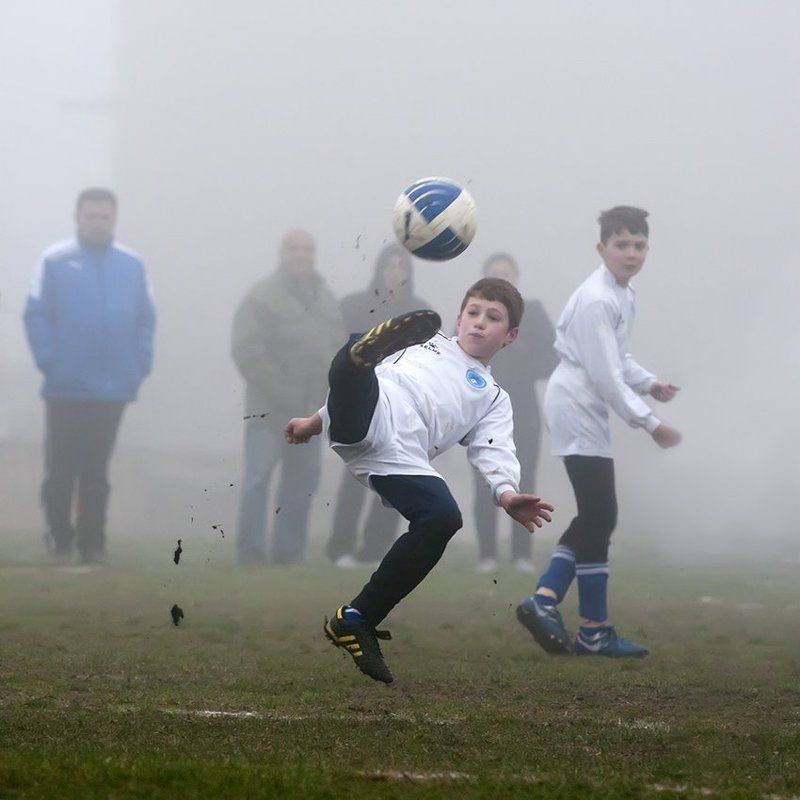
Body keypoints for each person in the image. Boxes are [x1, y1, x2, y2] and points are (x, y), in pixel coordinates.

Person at [284, 278, 554, 683]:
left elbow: (495, 449)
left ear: (510, 335)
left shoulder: (493, 397)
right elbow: (365, 387)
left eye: (493, 318)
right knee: (359, 371)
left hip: (403, 456)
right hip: (373, 413)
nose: (479, 323)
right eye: (474, 313)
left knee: (443, 518)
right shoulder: (420, 344)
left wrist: (507, 493)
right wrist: (313, 420)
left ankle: (356, 618)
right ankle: (356, 352)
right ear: (459, 316)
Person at [516, 206, 681, 658]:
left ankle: (552, 602)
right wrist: (651, 423)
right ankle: (588, 626)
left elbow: (618, 359)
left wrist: (649, 383)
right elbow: (606, 374)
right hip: (576, 406)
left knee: (596, 515)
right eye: (622, 244)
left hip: (586, 406)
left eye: (639, 245)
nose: (632, 253)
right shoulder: (596, 299)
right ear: (601, 248)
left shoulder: (621, 293)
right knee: (600, 513)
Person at [23, 187, 156, 564]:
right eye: (91, 216)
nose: (97, 223)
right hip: (65, 387)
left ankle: (93, 542)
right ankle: (59, 537)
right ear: (78, 217)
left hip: (113, 388)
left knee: (96, 470)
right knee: (61, 468)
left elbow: (146, 319)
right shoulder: (55, 259)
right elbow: (35, 314)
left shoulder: (132, 264)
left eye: (104, 217)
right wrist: (51, 361)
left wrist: (138, 365)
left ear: (113, 219)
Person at [231, 229, 343, 565]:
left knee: (301, 485)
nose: (300, 255)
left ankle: (289, 555)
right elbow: (247, 352)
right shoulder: (260, 297)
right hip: (268, 412)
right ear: (281, 253)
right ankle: (250, 554)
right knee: (257, 481)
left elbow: (335, 349)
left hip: (310, 414)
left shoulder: (325, 297)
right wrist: (285, 394)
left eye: (307, 249)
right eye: (293, 249)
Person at [326, 244, 432, 568]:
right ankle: (340, 548)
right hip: (359, 400)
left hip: (401, 408)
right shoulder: (353, 306)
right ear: (378, 269)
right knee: (354, 478)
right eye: (389, 265)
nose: (395, 272)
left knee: (394, 481)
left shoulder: (420, 313)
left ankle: (375, 549)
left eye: (402, 266)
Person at [472, 253, 558, 574]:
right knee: (484, 478)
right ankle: (487, 555)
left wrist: (524, 362)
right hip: (482, 408)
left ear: (517, 278)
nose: (502, 278)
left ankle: (522, 554)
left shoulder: (532, 313)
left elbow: (551, 358)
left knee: (525, 480)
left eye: (506, 273)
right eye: (494, 274)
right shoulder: (475, 316)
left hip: (523, 407)